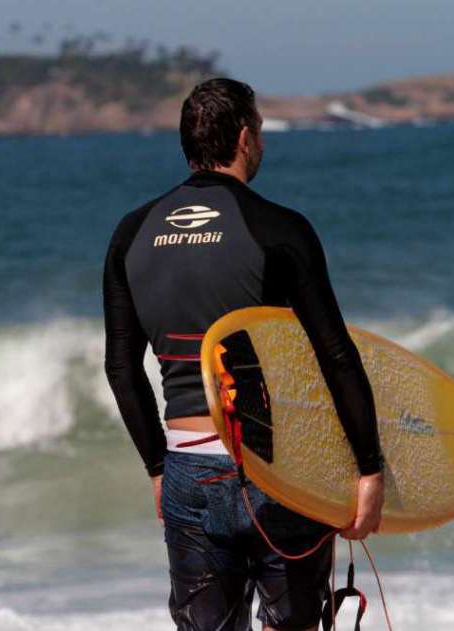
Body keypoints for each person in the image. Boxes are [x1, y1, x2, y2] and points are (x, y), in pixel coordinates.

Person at [102, 78, 384, 631]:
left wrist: (158, 465)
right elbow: (336, 356)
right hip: (278, 473)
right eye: (257, 130)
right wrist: (368, 469)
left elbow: (121, 366)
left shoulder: (131, 233)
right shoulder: (278, 228)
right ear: (245, 138)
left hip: (187, 472)